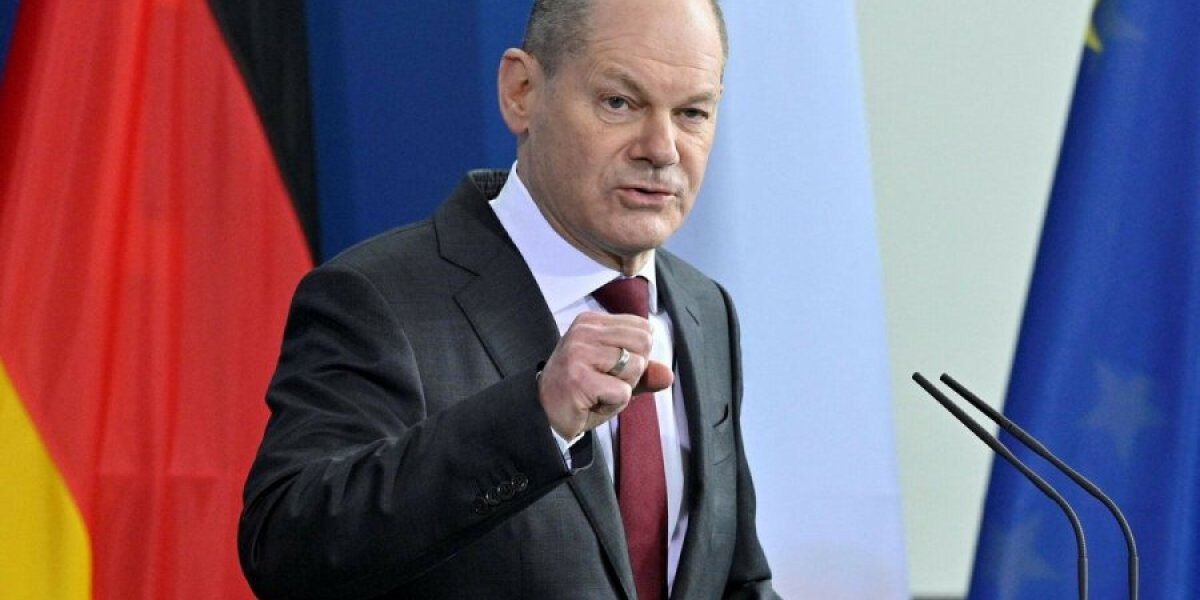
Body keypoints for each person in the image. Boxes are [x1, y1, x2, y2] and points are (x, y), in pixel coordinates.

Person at [238, 0, 777, 597]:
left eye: (692, 112)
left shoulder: (705, 309)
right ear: (522, 92)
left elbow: (735, 580)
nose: (663, 148)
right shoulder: (378, 298)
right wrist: (536, 417)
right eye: (619, 102)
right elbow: (286, 549)